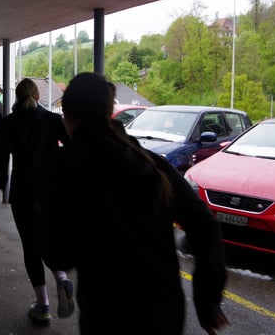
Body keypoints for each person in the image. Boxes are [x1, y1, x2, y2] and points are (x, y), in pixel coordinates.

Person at [43, 72, 229, 334]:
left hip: (106, 313)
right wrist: (207, 302)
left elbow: (58, 254)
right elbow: (205, 226)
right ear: (108, 111)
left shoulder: (63, 167)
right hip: (164, 311)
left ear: (69, 117)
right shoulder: (150, 162)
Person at [0, 78, 75, 324]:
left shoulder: (10, 122)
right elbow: (73, 147)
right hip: (51, 191)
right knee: (48, 239)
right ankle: (61, 278)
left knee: (31, 246)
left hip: (23, 192)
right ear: (38, 96)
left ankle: (43, 305)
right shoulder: (52, 120)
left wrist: (2, 182)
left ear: (18, 97)